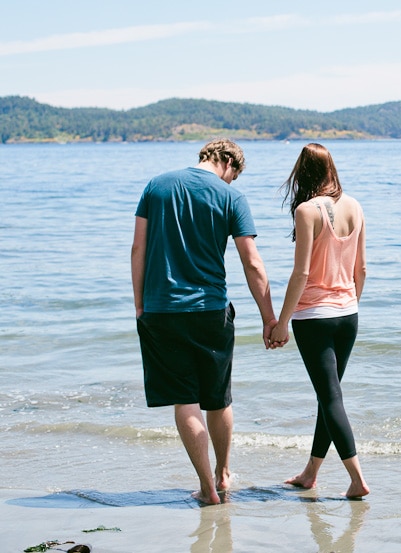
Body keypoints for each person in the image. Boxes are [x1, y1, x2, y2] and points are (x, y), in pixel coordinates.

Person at [131, 138, 278, 505]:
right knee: (218, 399)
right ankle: (223, 473)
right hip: (210, 310)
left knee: (185, 400)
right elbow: (253, 263)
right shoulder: (231, 198)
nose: (232, 183)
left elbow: (138, 248)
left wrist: (140, 304)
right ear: (229, 161)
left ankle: (207, 488)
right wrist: (269, 318)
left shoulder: (157, 185)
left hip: (161, 310)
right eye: (234, 176)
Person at [271, 143, 370, 499]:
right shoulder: (355, 206)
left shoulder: (306, 210)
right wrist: (349, 303)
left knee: (329, 397)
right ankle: (311, 472)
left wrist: (281, 322)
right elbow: (361, 268)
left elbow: (301, 273)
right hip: (348, 313)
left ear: (303, 172)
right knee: (329, 397)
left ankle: (357, 480)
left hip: (314, 316)